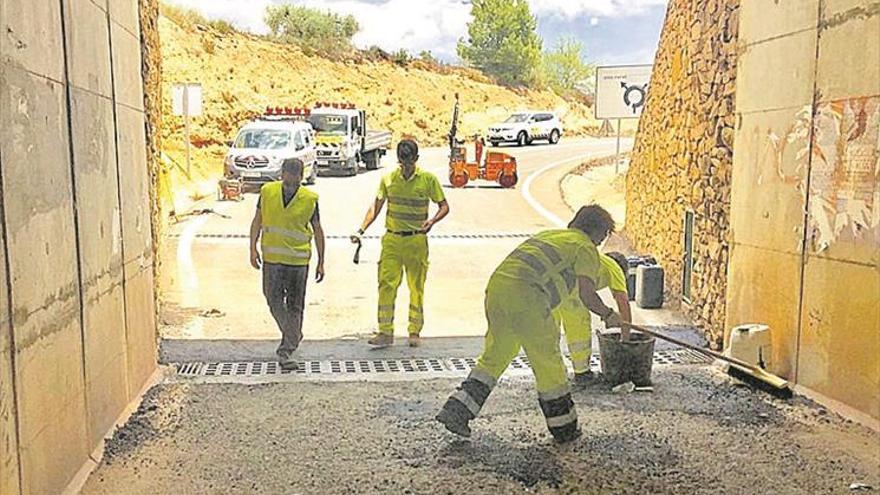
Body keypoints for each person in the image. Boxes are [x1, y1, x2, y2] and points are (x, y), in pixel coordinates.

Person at [436, 204, 620, 443]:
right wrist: (608, 314)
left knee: (496, 354)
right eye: (603, 237)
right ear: (597, 233)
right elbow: (587, 294)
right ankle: (564, 428)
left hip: (497, 289)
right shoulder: (584, 247)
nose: (600, 243)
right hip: (528, 295)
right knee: (548, 361)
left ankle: (457, 410)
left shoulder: (549, 235)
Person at [350, 138, 449, 348]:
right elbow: (375, 207)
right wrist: (361, 230)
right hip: (393, 240)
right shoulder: (388, 179)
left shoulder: (428, 180)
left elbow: (444, 206)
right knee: (386, 284)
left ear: (416, 159)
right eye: (402, 162)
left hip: (416, 240)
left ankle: (414, 331)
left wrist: (432, 221)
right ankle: (385, 332)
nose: (405, 166)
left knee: (416, 287)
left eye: (409, 162)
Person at [249, 158, 325, 370]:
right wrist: (252, 248)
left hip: (298, 261)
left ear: (301, 177)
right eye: (288, 178)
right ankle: (292, 333)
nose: (291, 183)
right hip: (272, 260)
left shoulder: (310, 198)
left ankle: (286, 350)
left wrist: (321, 261)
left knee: (294, 305)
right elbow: (258, 220)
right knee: (272, 299)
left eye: (295, 179)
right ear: (282, 174)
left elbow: (318, 230)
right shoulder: (267, 192)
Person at [555, 251, 632, 384]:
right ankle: (582, 372)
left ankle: (553, 375)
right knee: (579, 326)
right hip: (572, 288)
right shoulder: (615, 267)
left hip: (553, 284)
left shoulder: (598, 260)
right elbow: (623, 303)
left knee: (550, 331)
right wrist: (625, 339)